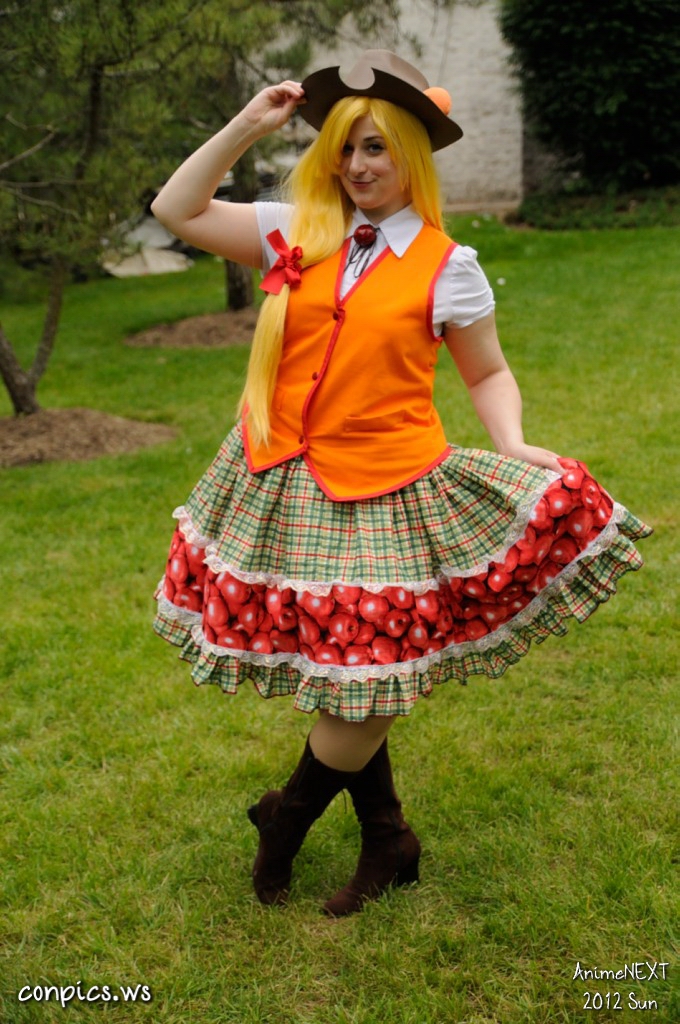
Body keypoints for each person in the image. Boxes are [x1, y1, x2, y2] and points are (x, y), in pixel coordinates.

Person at [151, 50, 651, 917]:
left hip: (388, 486)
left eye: (376, 147)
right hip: (282, 481)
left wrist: (512, 440)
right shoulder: (295, 228)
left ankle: (286, 820)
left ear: (412, 154)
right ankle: (388, 836)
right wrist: (248, 126)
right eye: (345, 148)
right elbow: (175, 209)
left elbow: (486, 371)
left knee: (366, 672)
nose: (357, 165)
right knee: (353, 669)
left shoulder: (447, 265)